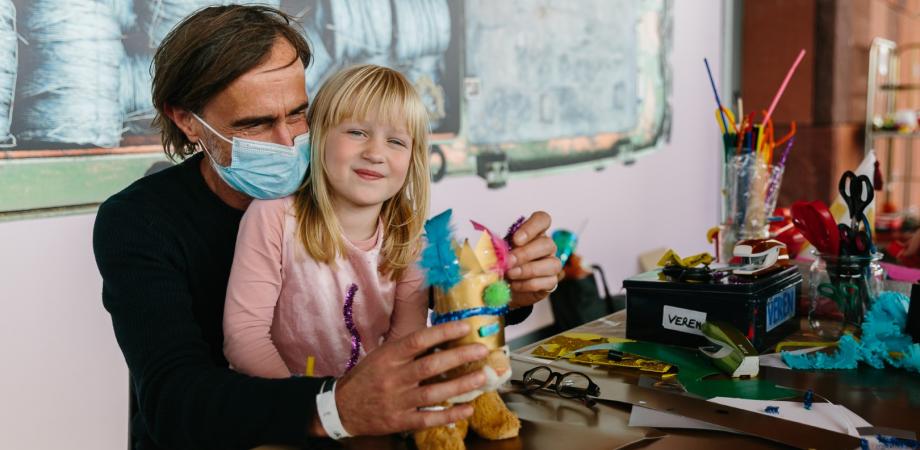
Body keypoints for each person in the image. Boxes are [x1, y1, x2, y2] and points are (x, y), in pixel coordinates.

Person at [92, 5, 561, 449]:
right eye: (255, 123)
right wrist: (336, 408)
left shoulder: (346, 187)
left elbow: (415, 294)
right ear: (186, 120)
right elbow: (174, 402)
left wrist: (508, 290)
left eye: (298, 113)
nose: (288, 141)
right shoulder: (138, 223)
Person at [221, 64, 437, 379]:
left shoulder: (411, 242)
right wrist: (317, 410)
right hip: (286, 412)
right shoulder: (273, 218)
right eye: (357, 132)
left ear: (412, 160)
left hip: (372, 413)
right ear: (319, 138)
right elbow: (245, 338)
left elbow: (405, 345)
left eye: (396, 142)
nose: (375, 153)